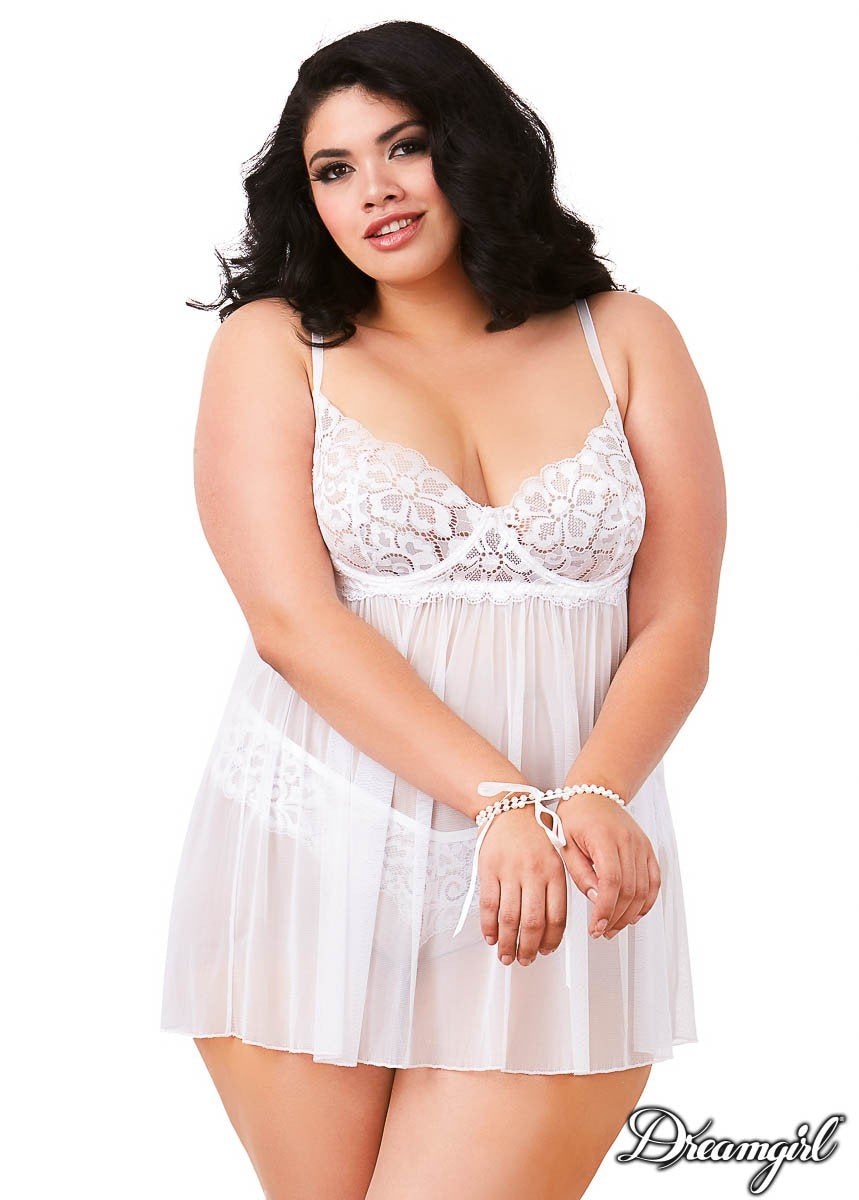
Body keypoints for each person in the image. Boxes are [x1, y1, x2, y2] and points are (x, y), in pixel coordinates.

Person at [160, 19, 725, 1200]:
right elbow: (290, 623)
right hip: (310, 845)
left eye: (403, 146)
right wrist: (499, 797)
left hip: (566, 865)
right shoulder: (274, 346)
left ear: (472, 148)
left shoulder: (625, 337)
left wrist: (586, 794)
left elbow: (676, 619)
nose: (372, 189)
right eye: (334, 168)